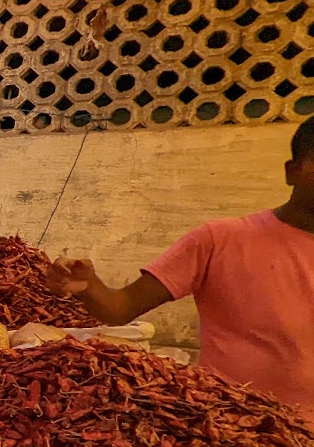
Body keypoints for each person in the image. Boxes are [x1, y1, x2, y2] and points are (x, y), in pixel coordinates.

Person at [47, 120, 314, 420]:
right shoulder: (219, 239)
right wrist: (89, 286)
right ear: (292, 171)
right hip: (230, 429)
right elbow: (120, 308)